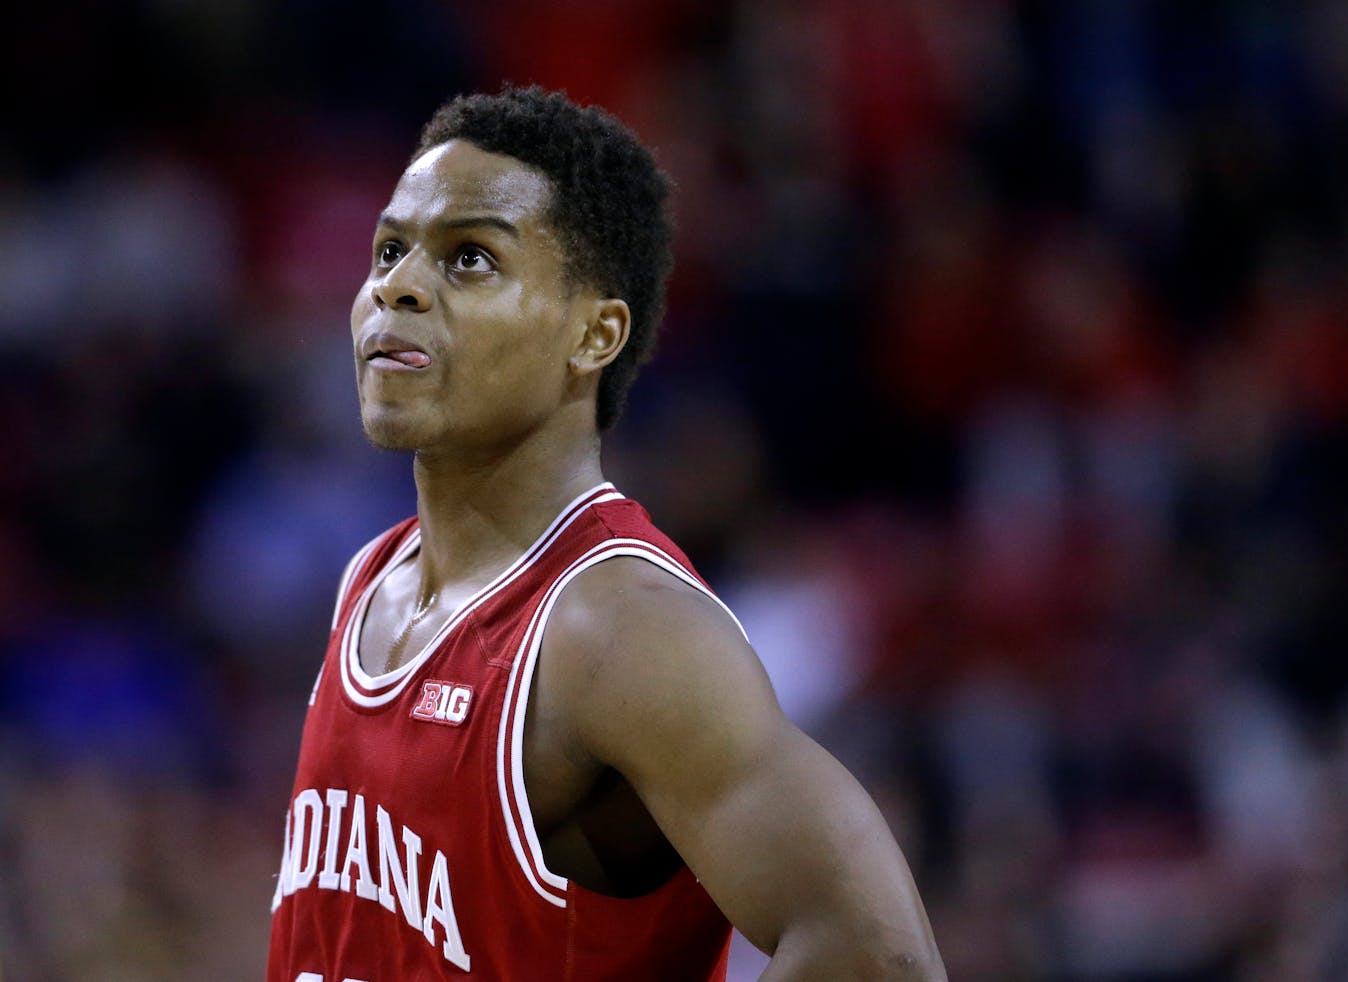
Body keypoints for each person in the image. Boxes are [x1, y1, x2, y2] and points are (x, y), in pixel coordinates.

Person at [266, 84, 945, 981]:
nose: (397, 286)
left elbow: (877, 954)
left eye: (469, 258)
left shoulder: (619, 630)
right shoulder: (371, 577)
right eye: (390, 249)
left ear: (594, 333)